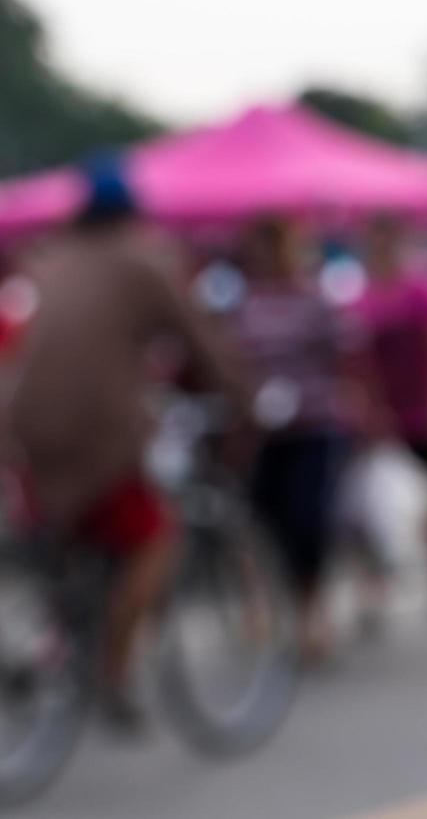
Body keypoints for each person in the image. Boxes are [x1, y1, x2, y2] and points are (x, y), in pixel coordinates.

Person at [5, 162, 237, 731]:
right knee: (156, 538)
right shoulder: (141, 265)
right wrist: (241, 396)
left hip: (24, 429)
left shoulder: (47, 261)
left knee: (66, 532)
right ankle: (113, 668)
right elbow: (201, 342)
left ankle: (66, 638)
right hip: (96, 433)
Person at [232, 217, 350, 662]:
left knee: (307, 523)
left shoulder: (314, 299)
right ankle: (261, 606)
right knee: (261, 520)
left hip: (313, 426)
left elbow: (340, 356)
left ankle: (311, 612)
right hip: (263, 431)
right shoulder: (246, 304)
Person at [353, 214, 427, 623]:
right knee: (369, 504)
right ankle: (374, 585)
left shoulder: (423, 288)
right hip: (382, 416)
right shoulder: (361, 294)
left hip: (423, 410)